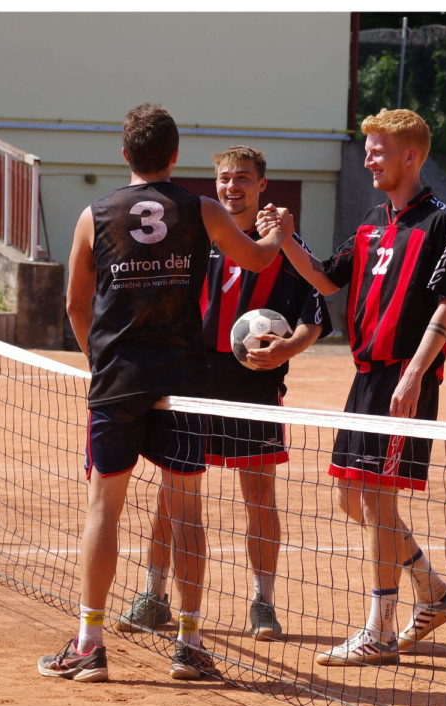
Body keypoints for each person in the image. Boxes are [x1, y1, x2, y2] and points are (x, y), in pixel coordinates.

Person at [37, 104, 286, 684]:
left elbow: (75, 303)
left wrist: (100, 360)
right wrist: (278, 233)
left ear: (125, 154)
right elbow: (257, 259)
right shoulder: (202, 210)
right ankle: (190, 644)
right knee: (186, 509)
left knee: (104, 507)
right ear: (175, 156)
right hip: (182, 380)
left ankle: (90, 643)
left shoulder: (93, 215)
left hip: (118, 379)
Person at [268, 108, 446, 667]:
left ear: (411, 155)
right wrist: (286, 239)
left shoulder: (441, 224)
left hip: (404, 376)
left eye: (377, 152)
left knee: (378, 501)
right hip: (365, 377)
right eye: (367, 151)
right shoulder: (371, 221)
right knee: (352, 499)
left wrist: (415, 374)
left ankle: (379, 630)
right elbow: (327, 278)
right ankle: (432, 591)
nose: (368, 161)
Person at [119, 145, 332, 642]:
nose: (231, 186)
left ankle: (263, 603)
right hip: (191, 380)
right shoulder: (197, 233)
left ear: (262, 186)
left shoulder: (286, 244)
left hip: (253, 386)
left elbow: (316, 315)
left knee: (259, 496)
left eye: (242, 178)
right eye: (224, 178)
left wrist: (287, 348)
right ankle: (154, 595)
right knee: (172, 495)